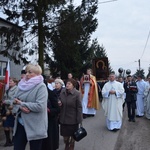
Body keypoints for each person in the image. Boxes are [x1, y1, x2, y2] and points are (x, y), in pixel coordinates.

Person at [12, 64, 48, 150]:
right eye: (26, 72)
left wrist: (22, 104)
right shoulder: (21, 85)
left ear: (37, 74)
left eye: (30, 72)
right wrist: (20, 107)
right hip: (21, 123)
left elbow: (40, 106)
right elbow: (14, 101)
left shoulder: (41, 87)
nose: (27, 74)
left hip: (35, 125)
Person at [59, 78, 82, 150]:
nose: (67, 85)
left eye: (69, 84)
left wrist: (79, 119)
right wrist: (59, 102)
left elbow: (79, 107)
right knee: (65, 136)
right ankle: (67, 144)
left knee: (73, 136)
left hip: (73, 119)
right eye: (66, 83)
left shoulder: (77, 94)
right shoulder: (62, 92)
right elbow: (59, 99)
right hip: (63, 118)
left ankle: (71, 146)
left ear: (73, 85)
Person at [42, 77, 60, 150]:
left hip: (50, 122)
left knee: (49, 144)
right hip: (40, 122)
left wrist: (49, 110)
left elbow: (57, 109)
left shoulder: (51, 93)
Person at [2, 77, 18, 147]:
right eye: (9, 81)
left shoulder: (17, 89)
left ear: (15, 82)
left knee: (13, 126)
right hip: (6, 109)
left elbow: (14, 100)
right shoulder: (7, 89)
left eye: (11, 81)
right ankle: (8, 141)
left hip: (13, 110)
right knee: (6, 125)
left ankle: (14, 140)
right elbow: (5, 98)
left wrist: (5, 102)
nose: (9, 82)